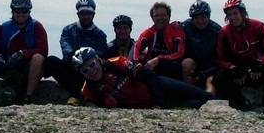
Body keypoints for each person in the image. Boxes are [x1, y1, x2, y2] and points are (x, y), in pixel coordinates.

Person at [73, 47, 215, 109]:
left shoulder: (117, 63)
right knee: (195, 104)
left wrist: (156, 103)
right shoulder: (89, 89)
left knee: (205, 97)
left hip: (159, 87)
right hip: (148, 105)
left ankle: (211, 88)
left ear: (98, 59)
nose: (91, 71)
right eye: (85, 70)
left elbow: (148, 75)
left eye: (92, 64)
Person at [0, 0, 49, 105]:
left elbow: (43, 50)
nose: (21, 14)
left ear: (29, 12)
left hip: (27, 67)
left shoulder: (36, 26)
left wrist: (23, 53)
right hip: (7, 64)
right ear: (12, 12)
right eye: (17, 11)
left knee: (38, 58)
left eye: (24, 11)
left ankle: (28, 97)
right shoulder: (5, 27)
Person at [213, 0, 264, 113]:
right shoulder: (224, 33)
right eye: (229, 14)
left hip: (256, 68)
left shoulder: (259, 27)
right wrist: (233, 69)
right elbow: (221, 59)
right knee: (219, 78)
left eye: (235, 13)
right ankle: (242, 103)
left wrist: (260, 63)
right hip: (238, 71)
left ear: (243, 13)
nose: (232, 17)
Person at [43, 0, 107, 106]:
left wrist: (88, 56)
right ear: (78, 14)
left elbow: (102, 51)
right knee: (50, 61)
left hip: (88, 70)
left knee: (83, 65)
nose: (85, 16)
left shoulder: (99, 34)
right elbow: (65, 45)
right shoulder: (68, 30)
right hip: (70, 63)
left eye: (88, 13)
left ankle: (75, 96)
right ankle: (77, 93)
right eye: (83, 13)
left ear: (93, 15)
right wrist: (73, 54)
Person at [133, 1, 185, 80]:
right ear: (152, 18)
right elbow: (137, 46)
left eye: (163, 15)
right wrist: (135, 64)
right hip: (152, 71)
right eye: (156, 15)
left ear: (169, 16)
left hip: (172, 72)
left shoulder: (176, 31)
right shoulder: (149, 32)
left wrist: (158, 60)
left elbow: (179, 54)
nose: (160, 18)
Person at [181, 0, 222, 92]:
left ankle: (210, 98)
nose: (200, 21)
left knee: (211, 82)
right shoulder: (185, 27)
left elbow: (220, 58)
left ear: (208, 16)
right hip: (193, 66)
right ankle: (187, 90)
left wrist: (202, 74)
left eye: (203, 17)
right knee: (187, 63)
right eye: (196, 18)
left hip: (211, 68)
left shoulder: (217, 31)